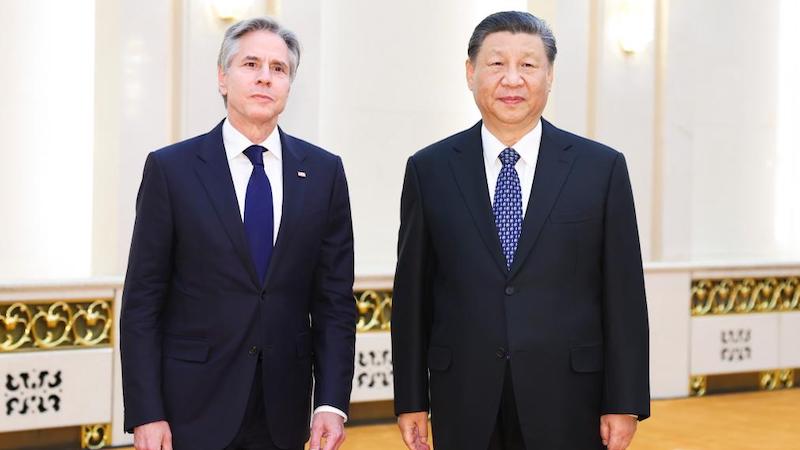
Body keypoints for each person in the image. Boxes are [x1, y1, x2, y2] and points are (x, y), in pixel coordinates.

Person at [391, 11, 650, 450]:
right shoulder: (429, 170)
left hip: (570, 400)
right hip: (464, 399)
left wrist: (624, 401)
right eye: (496, 64)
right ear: (470, 73)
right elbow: (412, 296)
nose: (512, 79)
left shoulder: (600, 169)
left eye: (528, 65)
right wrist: (411, 399)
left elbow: (624, 295)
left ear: (549, 76)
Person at [120, 17, 355, 450]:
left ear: (289, 84)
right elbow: (142, 302)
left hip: (284, 411)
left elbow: (335, 303)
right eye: (251, 64)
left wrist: (331, 403)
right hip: (189, 409)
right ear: (223, 77)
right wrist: (146, 411)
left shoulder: (324, 173)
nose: (266, 76)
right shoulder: (171, 170)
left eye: (279, 69)